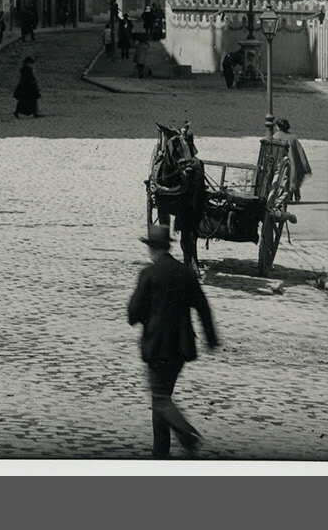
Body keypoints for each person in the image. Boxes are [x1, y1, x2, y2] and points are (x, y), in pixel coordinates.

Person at [126, 224, 219, 458]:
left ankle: (187, 434)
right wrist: (211, 338)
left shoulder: (149, 274)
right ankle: (160, 453)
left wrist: (143, 314)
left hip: (157, 347)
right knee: (163, 397)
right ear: (166, 247)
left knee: (159, 398)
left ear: (152, 250)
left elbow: (133, 314)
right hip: (181, 348)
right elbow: (203, 306)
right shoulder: (185, 272)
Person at [173, 143, 207, 271]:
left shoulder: (196, 167)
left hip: (192, 203)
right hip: (184, 203)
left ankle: (191, 261)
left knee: (189, 233)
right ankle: (190, 261)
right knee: (187, 233)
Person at [275, 119, 313, 200]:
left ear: (278, 127)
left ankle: (284, 195)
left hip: (280, 163)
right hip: (292, 164)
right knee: (294, 171)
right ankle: (295, 195)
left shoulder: (275, 137)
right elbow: (299, 153)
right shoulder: (293, 138)